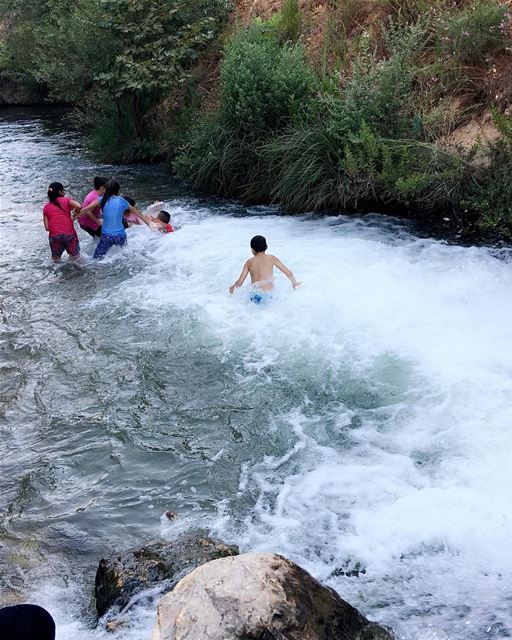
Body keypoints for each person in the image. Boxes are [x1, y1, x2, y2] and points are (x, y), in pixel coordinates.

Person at [78, 180, 150, 260]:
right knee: (123, 256)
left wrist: (73, 218)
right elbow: (138, 213)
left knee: (96, 259)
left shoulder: (101, 199)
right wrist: (150, 224)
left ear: (106, 189)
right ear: (117, 190)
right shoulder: (122, 201)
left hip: (107, 236)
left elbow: (85, 209)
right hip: (120, 236)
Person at [229, 235, 300, 303]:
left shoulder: (249, 262)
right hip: (270, 294)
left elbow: (240, 282)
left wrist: (233, 287)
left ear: (252, 249)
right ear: (266, 247)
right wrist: (294, 283)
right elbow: (288, 273)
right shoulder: (271, 258)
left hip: (256, 295)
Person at [43, 182, 82, 262]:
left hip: (55, 236)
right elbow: (79, 206)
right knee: (75, 258)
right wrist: (75, 213)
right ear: (60, 192)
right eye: (63, 191)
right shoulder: (66, 200)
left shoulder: (46, 207)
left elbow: (47, 228)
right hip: (69, 234)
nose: (64, 193)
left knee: (56, 260)